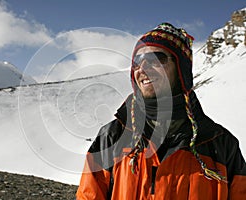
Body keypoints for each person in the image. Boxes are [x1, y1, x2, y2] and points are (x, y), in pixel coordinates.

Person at [76, 23, 246, 199]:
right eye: (137, 62)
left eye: (155, 59)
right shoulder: (112, 137)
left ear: (180, 68)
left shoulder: (220, 144)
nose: (142, 69)